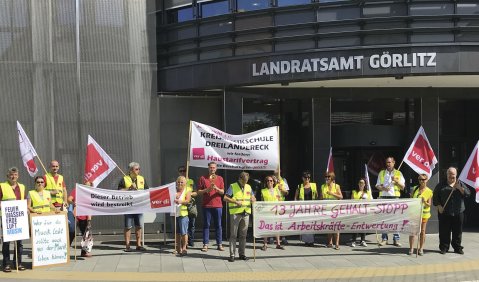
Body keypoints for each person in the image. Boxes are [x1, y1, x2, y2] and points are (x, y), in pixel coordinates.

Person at [433, 167, 470, 255]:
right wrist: (439, 206)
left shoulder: (460, 184)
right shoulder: (441, 185)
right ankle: (444, 247)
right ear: (447, 175)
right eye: (450, 175)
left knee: (457, 231)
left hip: (458, 211)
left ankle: (457, 247)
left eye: (453, 175)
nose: (451, 177)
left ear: (456, 175)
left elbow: (468, 194)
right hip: (445, 212)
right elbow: (435, 197)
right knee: (444, 231)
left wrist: (460, 188)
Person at [224, 171, 256, 262]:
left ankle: (242, 254)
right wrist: (235, 202)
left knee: (243, 235)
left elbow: (253, 198)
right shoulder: (233, 186)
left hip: (246, 213)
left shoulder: (249, 187)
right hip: (236, 213)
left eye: (247, 181)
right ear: (240, 179)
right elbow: (225, 198)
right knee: (233, 235)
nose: (245, 183)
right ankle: (232, 255)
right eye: (244, 181)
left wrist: (253, 199)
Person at [118, 162, 149, 252]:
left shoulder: (142, 178)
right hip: (128, 206)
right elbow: (118, 192)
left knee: (139, 225)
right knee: (128, 226)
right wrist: (129, 188)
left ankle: (138, 244)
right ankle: (127, 246)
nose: (138, 171)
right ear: (131, 170)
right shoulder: (124, 179)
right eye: (136, 169)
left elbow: (147, 190)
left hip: (139, 206)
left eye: (139, 169)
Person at [0, 167, 26, 272]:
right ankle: (6, 264)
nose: (13, 176)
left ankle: (18, 263)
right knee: (7, 242)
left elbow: (23, 200)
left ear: (18, 176)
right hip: (7, 218)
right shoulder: (2, 186)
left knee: (19, 242)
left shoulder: (22, 187)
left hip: (19, 217)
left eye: (15, 175)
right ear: (7, 176)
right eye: (11, 174)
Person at [375, 157, 405, 247]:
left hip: (395, 198)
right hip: (384, 197)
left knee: (396, 219)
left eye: (390, 162)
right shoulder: (382, 173)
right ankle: (384, 239)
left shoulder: (398, 173)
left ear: (394, 163)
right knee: (385, 219)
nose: (388, 164)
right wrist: (383, 188)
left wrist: (396, 181)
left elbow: (402, 187)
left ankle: (396, 239)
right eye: (387, 162)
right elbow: (377, 185)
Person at [197, 161, 225, 252]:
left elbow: (223, 192)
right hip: (206, 205)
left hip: (217, 205)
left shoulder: (220, 178)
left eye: (214, 167)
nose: (212, 169)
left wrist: (216, 188)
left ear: (216, 168)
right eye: (211, 167)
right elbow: (198, 192)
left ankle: (219, 244)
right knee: (206, 225)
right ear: (208, 168)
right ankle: (205, 244)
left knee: (218, 225)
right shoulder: (203, 178)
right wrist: (207, 190)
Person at [408, 174, 433, 256]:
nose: (422, 181)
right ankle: (411, 248)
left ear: (427, 180)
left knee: (422, 231)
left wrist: (425, 202)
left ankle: (421, 248)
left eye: (423, 179)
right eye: (420, 179)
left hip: (424, 214)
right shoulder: (415, 189)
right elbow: (411, 200)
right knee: (413, 231)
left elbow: (429, 204)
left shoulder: (429, 191)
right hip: (415, 213)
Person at [68, 181, 93, 257]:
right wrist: (73, 203)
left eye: (88, 186)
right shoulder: (76, 190)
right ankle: (65, 250)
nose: (86, 187)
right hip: (75, 214)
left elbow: (91, 207)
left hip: (85, 216)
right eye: (85, 185)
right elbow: (69, 199)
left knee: (85, 234)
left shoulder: (91, 194)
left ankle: (84, 252)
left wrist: (89, 219)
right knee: (72, 232)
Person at [294, 171, 319, 246]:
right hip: (303, 208)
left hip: (312, 207)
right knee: (304, 223)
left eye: (308, 177)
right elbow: (296, 197)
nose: (307, 179)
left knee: (311, 223)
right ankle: (306, 241)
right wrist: (295, 206)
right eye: (306, 177)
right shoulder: (299, 186)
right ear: (302, 178)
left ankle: (311, 241)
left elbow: (317, 195)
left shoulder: (314, 185)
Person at [260, 175, 285, 251]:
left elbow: (280, 200)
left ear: (273, 182)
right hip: (267, 212)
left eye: (271, 181)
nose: (269, 182)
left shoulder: (277, 190)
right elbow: (262, 202)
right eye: (268, 181)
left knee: (277, 228)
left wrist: (281, 209)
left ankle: (278, 244)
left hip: (276, 212)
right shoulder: (263, 191)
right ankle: (265, 244)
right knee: (266, 227)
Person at [321, 171, 343, 250]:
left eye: (328, 177)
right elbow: (320, 198)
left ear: (332, 178)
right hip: (327, 209)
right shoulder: (323, 186)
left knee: (336, 226)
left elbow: (341, 197)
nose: (327, 178)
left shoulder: (336, 186)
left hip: (335, 209)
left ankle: (337, 243)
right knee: (329, 226)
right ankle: (330, 243)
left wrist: (331, 193)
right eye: (326, 177)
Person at [178, 165, 197, 247]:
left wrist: (189, 194)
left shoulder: (191, 181)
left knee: (191, 224)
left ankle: (191, 240)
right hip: (181, 207)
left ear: (187, 171)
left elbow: (196, 192)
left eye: (184, 170)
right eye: (181, 171)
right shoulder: (177, 182)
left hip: (190, 206)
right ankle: (182, 243)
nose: (182, 172)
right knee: (182, 225)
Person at [350, 178, 370, 247]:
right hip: (356, 211)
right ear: (358, 184)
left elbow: (370, 202)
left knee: (363, 226)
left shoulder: (368, 192)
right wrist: (360, 198)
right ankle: (353, 240)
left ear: (365, 184)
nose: (361, 184)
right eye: (360, 183)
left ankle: (363, 240)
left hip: (364, 211)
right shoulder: (354, 192)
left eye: (363, 183)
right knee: (355, 226)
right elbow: (352, 201)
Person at [174, 176, 191, 256]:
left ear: (185, 183)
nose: (180, 183)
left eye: (182, 182)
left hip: (183, 214)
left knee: (184, 232)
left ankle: (184, 248)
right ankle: (178, 248)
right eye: (178, 182)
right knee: (177, 232)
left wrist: (180, 201)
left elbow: (188, 200)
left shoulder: (187, 189)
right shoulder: (173, 190)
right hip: (174, 214)